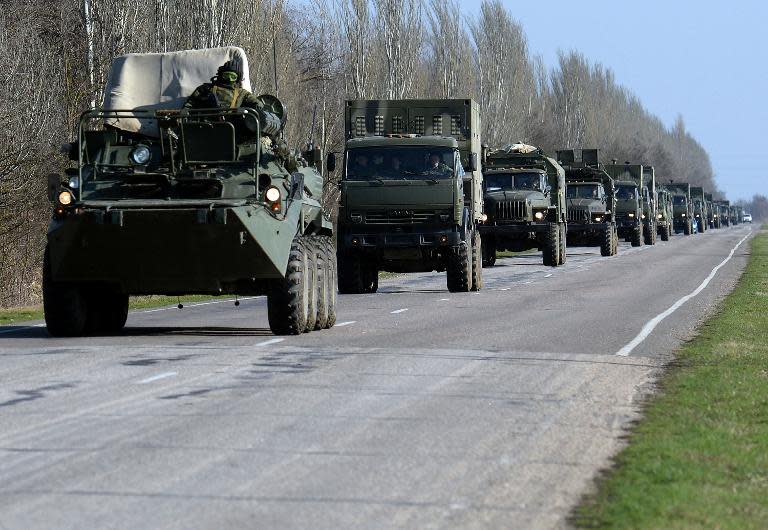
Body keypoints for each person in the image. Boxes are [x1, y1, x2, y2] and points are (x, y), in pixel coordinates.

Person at [184, 61, 262, 110]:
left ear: (237, 79)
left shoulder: (242, 93)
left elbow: (257, 103)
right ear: (221, 75)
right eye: (226, 75)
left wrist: (256, 107)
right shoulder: (206, 89)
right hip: (206, 126)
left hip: (233, 130)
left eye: (232, 77)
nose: (229, 79)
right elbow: (190, 104)